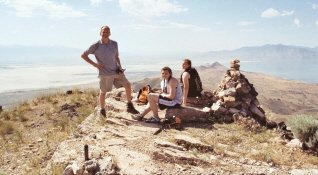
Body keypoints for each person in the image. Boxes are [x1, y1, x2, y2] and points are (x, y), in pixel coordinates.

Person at [81, 25, 139, 117]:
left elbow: (116, 57)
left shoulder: (114, 44)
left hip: (116, 71)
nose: (105, 33)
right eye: (103, 32)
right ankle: (102, 110)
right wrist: (95, 65)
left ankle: (129, 105)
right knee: (103, 92)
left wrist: (120, 67)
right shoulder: (95, 45)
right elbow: (83, 55)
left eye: (107, 32)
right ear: (100, 33)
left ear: (110, 33)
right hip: (105, 73)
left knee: (127, 85)